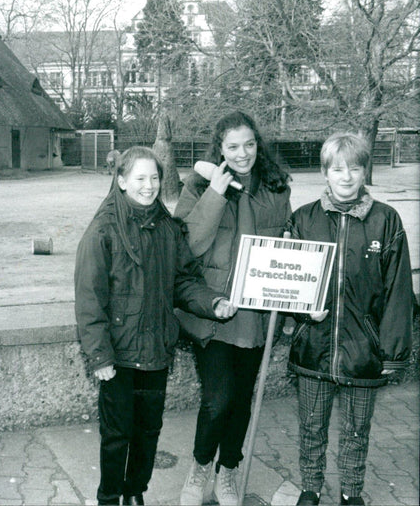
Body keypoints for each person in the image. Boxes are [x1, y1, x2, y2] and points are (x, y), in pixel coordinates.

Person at [74, 146, 238, 506]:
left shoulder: (167, 228)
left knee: (148, 432)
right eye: (139, 178)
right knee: (117, 434)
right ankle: (110, 497)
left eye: (154, 178)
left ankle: (135, 493)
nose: (148, 186)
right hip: (117, 356)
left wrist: (212, 302)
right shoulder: (103, 230)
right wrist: (99, 357)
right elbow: (89, 300)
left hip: (156, 353)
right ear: (121, 181)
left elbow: (183, 281)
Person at [287, 132, 414, 506]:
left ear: (364, 172)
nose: (346, 177)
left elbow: (398, 294)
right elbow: (288, 281)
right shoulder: (304, 219)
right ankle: (309, 489)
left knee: (357, 430)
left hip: (364, 352)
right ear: (325, 172)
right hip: (314, 347)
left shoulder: (386, 222)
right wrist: (301, 311)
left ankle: (351, 492)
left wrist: (391, 352)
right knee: (311, 426)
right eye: (337, 169)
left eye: (355, 168)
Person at [174, 111, 292, 506]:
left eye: (249, 144)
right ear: (219, 149)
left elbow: (285, 246)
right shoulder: (198, 184)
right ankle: (200, 466)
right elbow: (185, 246)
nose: (242, 154)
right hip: (212, 310)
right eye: (232, 146)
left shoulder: (275, 187)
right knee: (218, 397)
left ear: (258, 144)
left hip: (255, 315)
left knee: (241, 398)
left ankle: (229, 470)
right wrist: (215, 194)